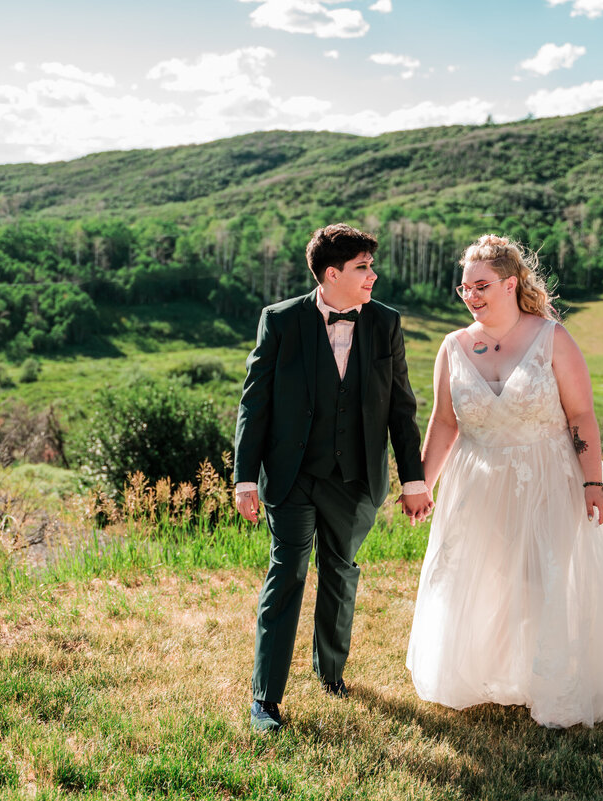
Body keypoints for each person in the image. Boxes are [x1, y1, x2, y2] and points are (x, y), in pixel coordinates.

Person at [405, 234, 603, 729]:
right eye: (464, 288)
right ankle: (496, 671)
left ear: (511, 283)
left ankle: (551, 682)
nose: (471, 296)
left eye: (481, 285)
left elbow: (582, 415)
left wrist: (594, 484)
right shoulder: (453, 347)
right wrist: (422, 484)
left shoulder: (552, 338)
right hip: (479, 482)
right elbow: (444, 423)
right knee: (491, 578)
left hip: (550, 475)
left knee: (543, 578)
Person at [235, 223, 434, 732]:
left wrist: (414, 480)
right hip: (291, 475)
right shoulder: (279, 321)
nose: (373, 275)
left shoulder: (385, 323)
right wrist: (244, 478)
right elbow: (255, 403)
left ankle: (331, 672)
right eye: (363, 267)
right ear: (331, 273)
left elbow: (401, 406)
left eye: (370, 265)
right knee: (288, 573)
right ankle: (265, 699)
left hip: (356, 476)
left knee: (341, 572)